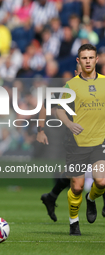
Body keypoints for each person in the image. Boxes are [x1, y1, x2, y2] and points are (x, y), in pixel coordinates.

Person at [40, 63, 105, 223]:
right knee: (74, 175)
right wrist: (40, 130)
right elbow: (44, 106)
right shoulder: (66, 91)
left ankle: (53, 196)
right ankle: (52, 196)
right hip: (74, 138)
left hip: (98, 135)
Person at [56, 44, 105, 236]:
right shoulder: (71, 85)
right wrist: (69, 124)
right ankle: (73, 222)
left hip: (100, 140)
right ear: (78, 61)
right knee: (76, 187)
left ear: (96, 60)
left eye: (91, 58)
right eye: (84, 58)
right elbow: (59, 109)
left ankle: (91, 199)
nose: (88, 61)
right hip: (77, 142)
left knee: (101, 182)